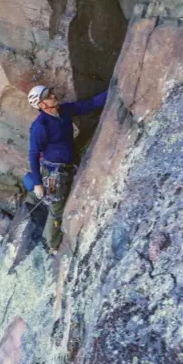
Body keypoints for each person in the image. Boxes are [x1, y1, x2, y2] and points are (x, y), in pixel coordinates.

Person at [24, 85, 108, 250]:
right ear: (41, 105)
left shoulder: (64, 111)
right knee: (57, 209)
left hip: (69, 165)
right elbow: (33, 154)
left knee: (60, 204)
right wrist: (37, 183)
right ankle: (52, 245)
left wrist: (113, 88)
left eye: (51, 92)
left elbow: (89, 104)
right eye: (48, 95)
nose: (54, 95)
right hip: (54, 172)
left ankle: (51, 238)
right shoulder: (40, 126)